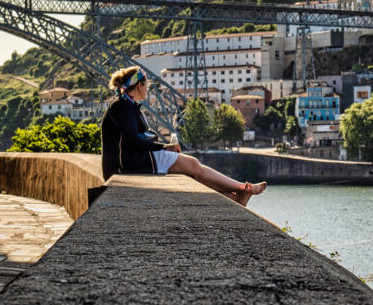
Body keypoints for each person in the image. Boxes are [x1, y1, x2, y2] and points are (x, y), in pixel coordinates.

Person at [101, 67, 266, 206]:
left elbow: (135, 138)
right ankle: (242, 188)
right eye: (147, 86)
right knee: (192, 165)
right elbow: (133, 140)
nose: (148, 89)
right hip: (126, 166)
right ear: (139, 86)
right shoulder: (122, 106)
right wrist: (164, 147)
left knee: (191, 170)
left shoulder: (126, 104)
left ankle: (233, 197)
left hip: (133, 160)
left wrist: (162, 147)